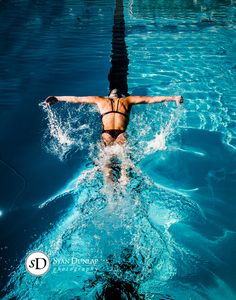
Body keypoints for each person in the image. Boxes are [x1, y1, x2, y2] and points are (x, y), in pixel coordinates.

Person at [44, 89, 183, 184]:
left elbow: (77, 99)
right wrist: (173, 98)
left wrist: (57, 98)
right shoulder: (127, 100)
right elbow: (151, 100)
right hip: (121, 134)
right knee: (124, 162)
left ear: (109, 94)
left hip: (107, 135)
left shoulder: (100, 100)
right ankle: (123, 178)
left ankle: (111, 190)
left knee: (107, 165)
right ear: (120, 95)